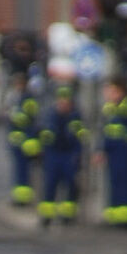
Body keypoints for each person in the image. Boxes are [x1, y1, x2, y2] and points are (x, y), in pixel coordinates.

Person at [36, 83, 88, 226]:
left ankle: (68, 216)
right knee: (50, 186)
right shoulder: (50, 116)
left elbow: (80, 137)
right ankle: (47, 216)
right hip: (53, 155)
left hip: (69, 155)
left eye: (67, 101)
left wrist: (78, 155)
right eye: (62, 101)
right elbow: (43, 136)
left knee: (71, 185)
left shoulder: (75, 116)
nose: (64, 104)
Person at [99, 78, 127, 227]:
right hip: (114, 152)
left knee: (125, 185)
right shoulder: (111, 108)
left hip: (126, 152)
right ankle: (114, 217)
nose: (108, 94)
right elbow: (107, 132)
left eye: (111, 90)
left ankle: (125, 220)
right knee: (114, 185)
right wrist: (102, 150)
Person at [6, 84, 41, 206]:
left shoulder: (28, 101)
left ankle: (24, 200)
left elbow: (32, 123)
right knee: (19, 173)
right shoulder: (17, 100)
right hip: (19, 145)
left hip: (27, 146)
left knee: (24, 174)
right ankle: (20, 198)